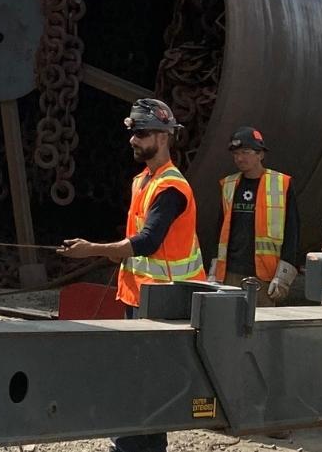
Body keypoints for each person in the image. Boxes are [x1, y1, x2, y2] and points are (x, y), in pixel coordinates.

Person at [58, 98, 206, 452]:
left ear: (164, 137)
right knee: (136, 381)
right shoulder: (144, 181)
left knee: (144, 383)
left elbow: (147, 242)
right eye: (133, 133)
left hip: (163, 303)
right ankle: (132, 444)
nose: (133, 140)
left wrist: (92, 248)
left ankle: (132, 446)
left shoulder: (171, 188)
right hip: (139, 297)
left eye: (141, 133)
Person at [212, 127, 300, 304]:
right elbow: (220, 231)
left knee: (260, 327)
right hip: (230, 274)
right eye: (236, 153)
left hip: (264, 277)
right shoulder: (229, 185)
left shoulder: (281, 184)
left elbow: (293, 232)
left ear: (260, 155)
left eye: (245, 152)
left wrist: (283, 276)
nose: (239, 158)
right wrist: (214, 272)